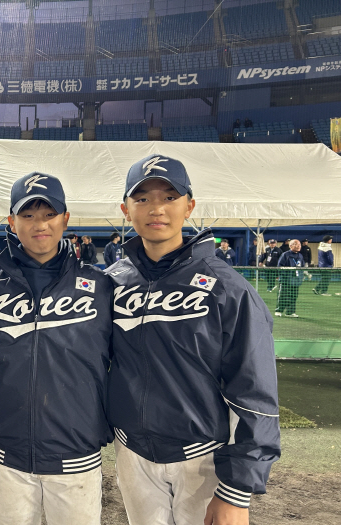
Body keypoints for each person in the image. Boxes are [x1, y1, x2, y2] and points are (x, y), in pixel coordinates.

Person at [107, 154, 280, 525]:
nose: (156, 208)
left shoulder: (227, 287)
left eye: (170, 197)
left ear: (190, 206)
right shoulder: (112, 283)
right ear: (126, 209)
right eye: (142, 198)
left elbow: (256, 389)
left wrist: (237, 490)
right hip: (132, 452)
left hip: (202, 460)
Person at [0, 172, 112, 525]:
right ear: (11, 221)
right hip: (8, 456)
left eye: (49, 214)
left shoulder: (100, 286)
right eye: (28, 215)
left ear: (65, 219)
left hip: (76, 456)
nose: (40, 225)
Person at [276, 239, 304, 318]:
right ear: (290, 246)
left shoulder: (300, 256)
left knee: (294, 296)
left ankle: (290, 312)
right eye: (295, 244)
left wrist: (301, 277)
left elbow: (302, 267)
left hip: (296, 280)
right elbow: (280, 266)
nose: (298, 246)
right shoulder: (285, 255)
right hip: (286, 280)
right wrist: (285, 276)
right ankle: (279, 310)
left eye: (299, 244)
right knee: (283, 295)